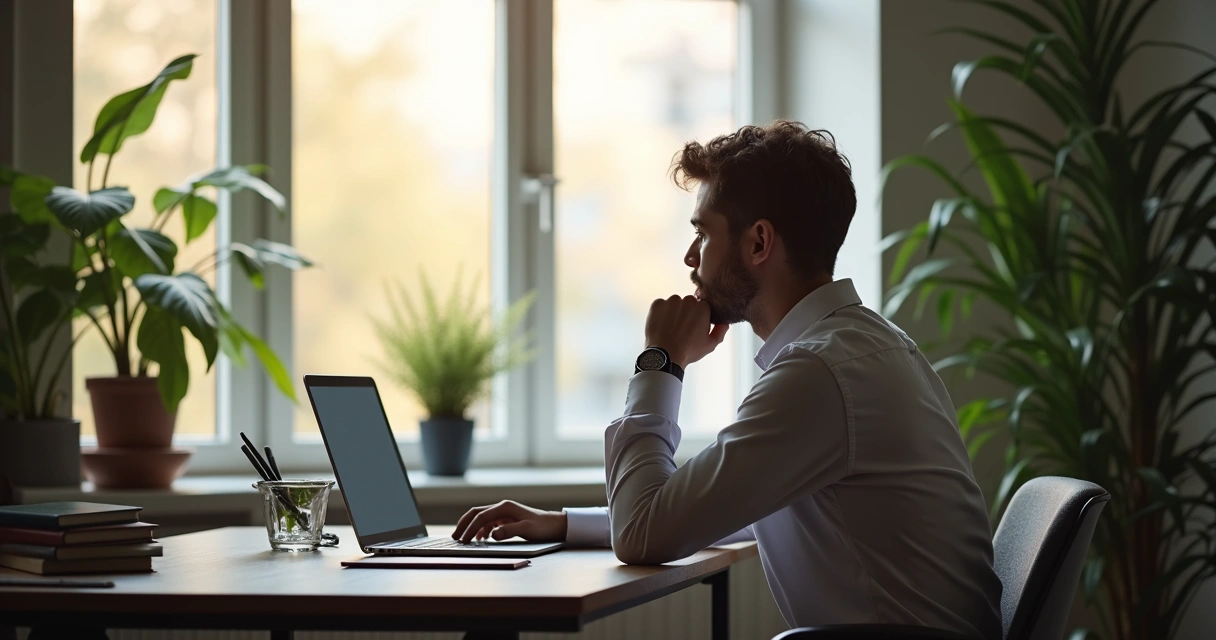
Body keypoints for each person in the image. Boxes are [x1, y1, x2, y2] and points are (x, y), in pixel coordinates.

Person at [452, 121, 1003, 639]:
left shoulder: (819, 374)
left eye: (703, 233)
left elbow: (645, 534)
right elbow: (722, 509)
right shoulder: (865, 348)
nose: (690, 258)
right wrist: (566, 524)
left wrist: (661, 361)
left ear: (759, 243)